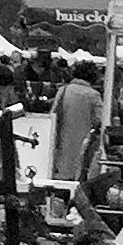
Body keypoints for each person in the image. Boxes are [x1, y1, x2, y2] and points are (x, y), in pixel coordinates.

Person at [47, 55, 103, 192]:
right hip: (83, 142)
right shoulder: (93, 95)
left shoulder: (63, 90)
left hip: (61, 140)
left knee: (60, 176)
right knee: (78, 175)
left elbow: (52, 115)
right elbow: (100, 121)